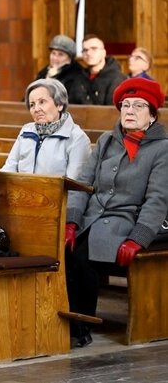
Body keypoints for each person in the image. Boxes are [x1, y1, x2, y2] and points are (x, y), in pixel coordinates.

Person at [65, 78, 168, 348]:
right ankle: (60, 321)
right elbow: (83, 184)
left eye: (138, 106)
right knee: (61, 250)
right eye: (125, 105)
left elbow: (158, 200)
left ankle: (80, 326)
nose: (130, 111)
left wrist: (138, 238)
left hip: (126, 222)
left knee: (82, 258)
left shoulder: (162, 149)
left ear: (152, 114)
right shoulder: (107, 140)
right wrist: (71, 221)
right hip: (91, 218)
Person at [1, 78, 91, 179]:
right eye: (32, 105)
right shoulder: (26, 130)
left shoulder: (77, 138)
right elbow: (9, 168)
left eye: (42, 102)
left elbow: (74, 184)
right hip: (21, 189)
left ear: (59, 105)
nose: (36, 109)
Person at [74, 34, 126, 105]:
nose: (88, 53)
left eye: (94, 49)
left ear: (103, 53)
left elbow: (113, 109)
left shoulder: (117, 78)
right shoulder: (79, 77)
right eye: (85, 50)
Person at [35, 35, 88, 103]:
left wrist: (52, 79)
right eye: (53, 53)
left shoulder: (77, 75)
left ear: (69, 59)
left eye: (60, 55)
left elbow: (67, 101)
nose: (55, 58)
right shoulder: (44, 73)